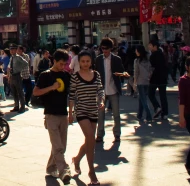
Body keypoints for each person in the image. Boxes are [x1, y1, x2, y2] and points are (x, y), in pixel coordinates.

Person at [34, 49, 72, 184]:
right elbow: (36, 92)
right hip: (50, 115)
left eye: (65, 64)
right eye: (61, 64)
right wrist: (51, 87)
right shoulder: (45, 75)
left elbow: (71, 94)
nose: (63, 66)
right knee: (58, 146)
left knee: (61, 145)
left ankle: (51, 168)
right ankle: (64, 171)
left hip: (63, 114)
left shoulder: (66, 75)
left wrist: (72, 112)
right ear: (54, 61)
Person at [68, 51, 104, 186]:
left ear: (91, 62)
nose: (85, 64)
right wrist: (70, 113)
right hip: (81, 110)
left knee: (90, 140)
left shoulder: (96, 75)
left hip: (93, 110)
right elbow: (71, 95)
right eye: (82, 61)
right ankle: (91, 171)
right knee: (90, 137)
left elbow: (100, 90)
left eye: (87, 61)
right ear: (79, 62)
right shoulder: (75, 77)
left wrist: (102, 101)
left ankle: (77, 159)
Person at [94, 38, 127, 142]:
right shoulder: (98, 59)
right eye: (102, 48)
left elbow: (122, 71)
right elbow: (96, 74)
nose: (104, 50)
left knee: (116, 114)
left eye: (106, 48)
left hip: (113, 90)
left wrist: (123, 74)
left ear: (111, 48)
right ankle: (100, 134)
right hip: (101, 91)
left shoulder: (117, 59)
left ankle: (117, 134)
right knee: (100, 115)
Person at [148, 39, 168, 120]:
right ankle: (165, 113)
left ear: (155, 46)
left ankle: (157, 107)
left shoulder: (153, 55)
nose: (149, 47)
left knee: (150, 94)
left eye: (150, 45)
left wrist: (149, 76)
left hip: (155, 78)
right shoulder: (163, 54)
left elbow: (151, 68)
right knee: (163, 96)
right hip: (163, 78)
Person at [133, 45, 153, 123]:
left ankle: (148, 116)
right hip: (147, 81)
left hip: (140, 81)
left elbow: (136, 73)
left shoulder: (137, 61)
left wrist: (134, 83)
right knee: (141, 98)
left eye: (136, 50)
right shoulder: (148, 59)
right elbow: (151, 69)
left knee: (143, 100)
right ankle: (139, 114)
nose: (135, 52)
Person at [7, 45, 29, 113]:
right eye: (10, 50)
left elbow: (26, 63)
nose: (11, 51)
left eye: (13, 50)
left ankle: (22, 107)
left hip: (17, 76)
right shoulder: (11, 58)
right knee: (14, 92)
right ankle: (16, 106)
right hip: (12, 76)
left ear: (16, 50)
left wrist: (19, 69)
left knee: (20, 92)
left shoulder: (18, 57)